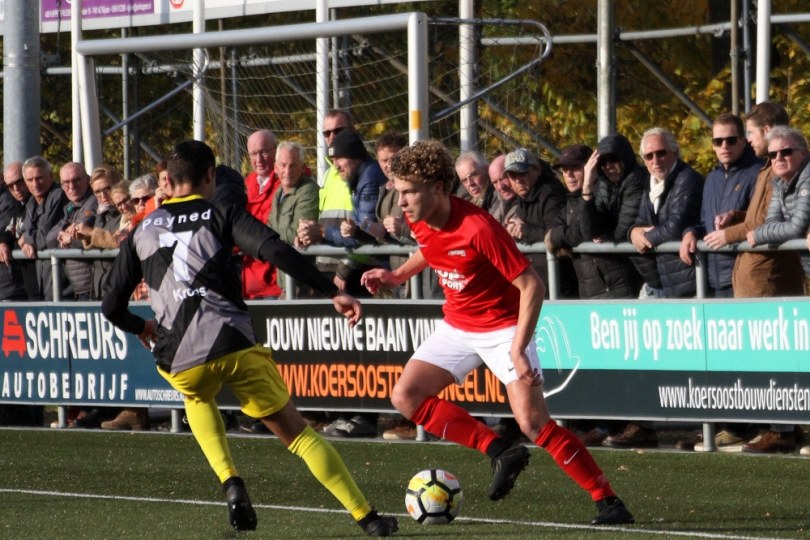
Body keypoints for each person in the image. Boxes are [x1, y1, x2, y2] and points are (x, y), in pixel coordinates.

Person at [101, 139, 397, 536]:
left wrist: (142, 327)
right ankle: (368, 517)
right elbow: (275, 250)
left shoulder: (141, 230)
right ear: (210, 176)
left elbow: (110, 306)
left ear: (168, 181)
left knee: (196, 395)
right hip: (233, 343)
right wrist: (332, 292)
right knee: (298, 435)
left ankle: (231, 483)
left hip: (178, 355)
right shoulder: (221, 212)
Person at [360, 139, 634, 526]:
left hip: (505, 328)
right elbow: (431, 249)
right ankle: (500, 450)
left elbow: (532, 286)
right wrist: (397, 274)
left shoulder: (478, 227)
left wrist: (519, 348)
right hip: (459, 324)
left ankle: (609, 502)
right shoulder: (421, 218)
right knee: (406, 396)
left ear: (437, 188)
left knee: (534, 423)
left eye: (408, 192)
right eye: (398, 192)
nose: (401, 201)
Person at [735, 126, 810, 455]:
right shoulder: (780, 180)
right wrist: (765, 232)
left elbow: (793, 227)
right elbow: (780, 224)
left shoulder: (808, 176)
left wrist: (762, 234)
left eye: (787, 152)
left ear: (803, 153)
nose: (779, 158)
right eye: (774, 154)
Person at [705, 102, 804, 298]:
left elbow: (768, 222)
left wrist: (727, 235)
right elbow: (762, 215)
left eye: (750, 132)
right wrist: (735, 216)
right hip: (756, 281)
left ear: (767, 130)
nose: (749, 139)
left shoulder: (781, 169)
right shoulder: (768, 168)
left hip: (767, 283)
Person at [679, 113, 761, 298]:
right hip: (713, 280)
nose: (724, 146)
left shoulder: (758, 173)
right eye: (718, 141)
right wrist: (690, 232)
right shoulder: (711, 179)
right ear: (713, 145)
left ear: (743, 141)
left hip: (744, 276)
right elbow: (704, 222)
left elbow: (759, 220)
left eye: (731, 140)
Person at [628, 127, 704, 299]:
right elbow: (639, 221)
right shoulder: (651, 183)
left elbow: (675, 226)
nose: (655, 160)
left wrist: (645, 238)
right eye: (649, 156)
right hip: (665, 282)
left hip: (691, 281)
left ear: (675, 152)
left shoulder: (687, 178)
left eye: (661, 153)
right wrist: (633, 233)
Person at [503, 147, 575, 299]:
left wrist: (525, 231)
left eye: (522, 173)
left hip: (558, 286)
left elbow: (557, 235)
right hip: (537, 286)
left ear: (536, 170)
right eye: (512, 175)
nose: (518, 180)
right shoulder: (522, 198)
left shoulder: (550, 194)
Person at [267, 140, 319, 294]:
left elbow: (298, 231)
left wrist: (269, 240)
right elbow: (270, 226)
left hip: (304, 284)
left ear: (302, 167)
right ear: (276, 167)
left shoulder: (308, 191)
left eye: (293, 165)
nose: (287, 171)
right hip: (284, 281)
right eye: (283, 165)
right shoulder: (278, 192)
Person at [46, 162, 98, 301]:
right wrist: (65, 232)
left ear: (87, 180)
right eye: (66, 182)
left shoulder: (93, 202)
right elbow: (50, 239)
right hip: (78, 287)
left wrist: (71, 238)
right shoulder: (70, 207)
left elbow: (79, 234)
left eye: (76, 180)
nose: (71, 187)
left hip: (92, 286)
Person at [19, 156, 68, 300]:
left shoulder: (58, 195)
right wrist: (23, 235)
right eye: (29, 180)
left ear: (50, 176)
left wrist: (25, 239)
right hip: (42, 277)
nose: (35, 184)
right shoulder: (31, 201)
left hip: (62, 281)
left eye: (39, 178)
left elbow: (44, 237)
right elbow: (24, 227)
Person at [73, 165, 124, 299]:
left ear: (118, 184)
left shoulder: (126, 210)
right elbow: (98, 240)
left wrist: (90, 233)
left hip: (120, 288)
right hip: (99, 286)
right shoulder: (100, 214)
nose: (103, 195)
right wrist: (85, 237)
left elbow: (118, 240)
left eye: (108, 188)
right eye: (97, 192)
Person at [243, 129, 282, 300]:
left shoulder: (286, 184)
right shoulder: (247, 183)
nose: (258, 159)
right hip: (248, 281)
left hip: (273, 281)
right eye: (253, 154)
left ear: (276, 150)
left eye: (264, 152)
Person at [0, 162, 37, 300]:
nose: (16, 189)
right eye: (10, 185)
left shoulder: (10, 202)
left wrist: (26, 238)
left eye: (19, 182)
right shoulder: (20, 204)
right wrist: (3, 240)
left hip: (13, 286)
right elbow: (10, 229)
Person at [488, 154, 519, 226]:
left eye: (502, 179)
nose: (500, 187)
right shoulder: (498, 202)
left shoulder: (531, 202)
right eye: (495, 182)